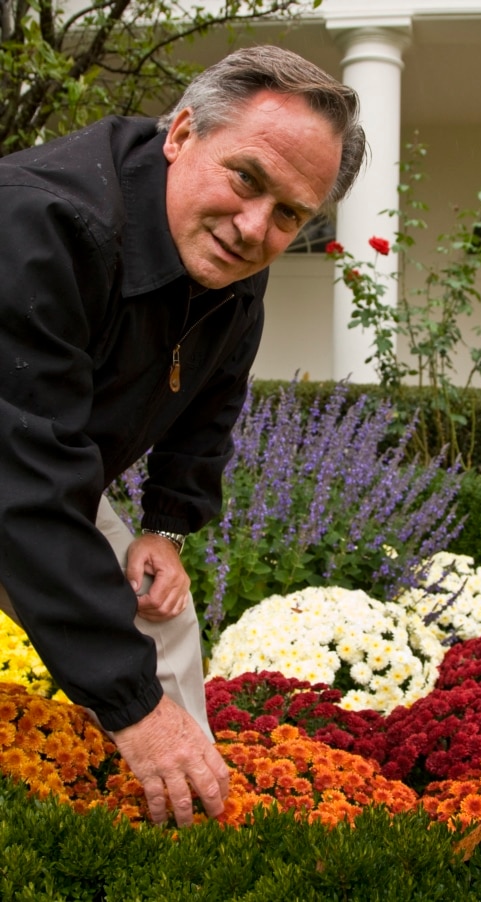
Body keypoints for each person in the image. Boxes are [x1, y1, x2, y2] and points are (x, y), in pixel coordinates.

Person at [0, 45, 366, 827]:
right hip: (14, 470)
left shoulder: (235, 247)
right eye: (247, 179)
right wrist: (134, 711)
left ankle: (190, 830)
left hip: (33, 471)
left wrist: (164, 524)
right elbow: (22, 490)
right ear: (182, 132)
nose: (255, 227)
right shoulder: (40, 221)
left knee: (156, 608)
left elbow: (212, 399)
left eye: (291, 214)